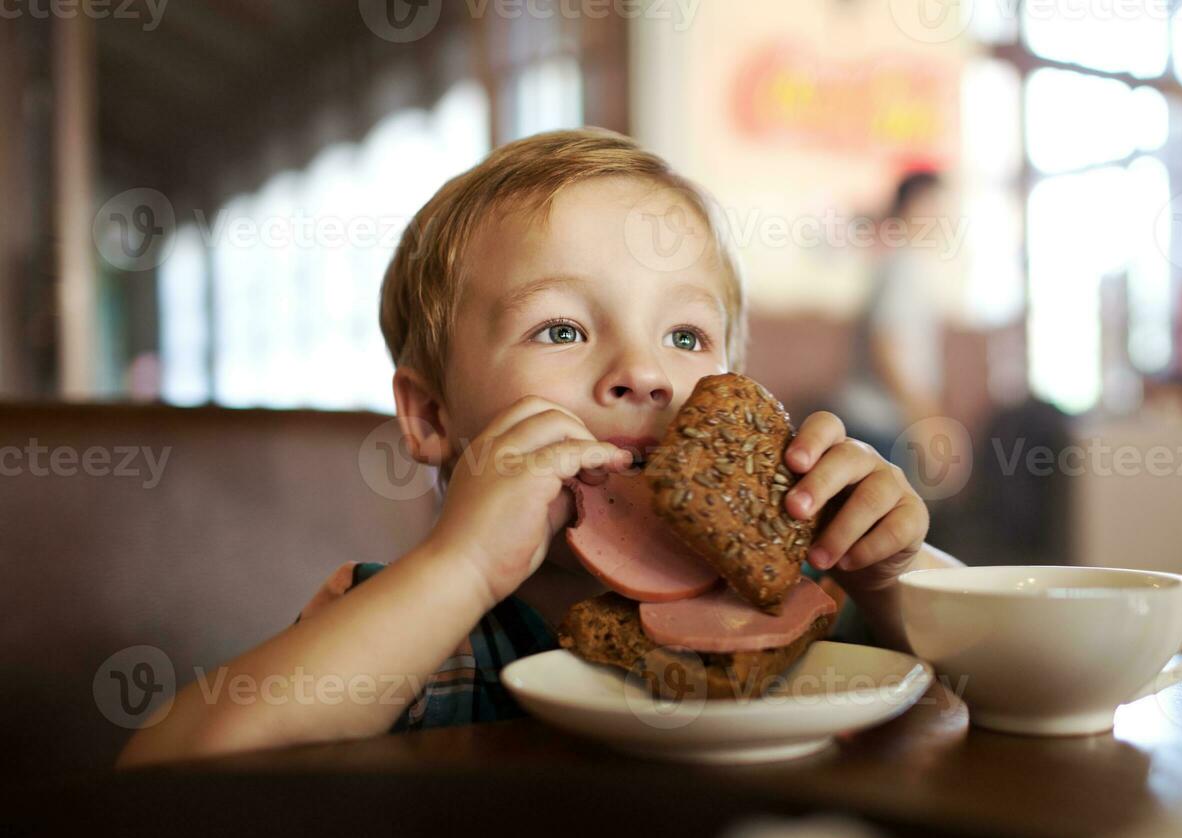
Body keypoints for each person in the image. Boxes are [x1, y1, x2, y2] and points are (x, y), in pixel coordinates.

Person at [118, 128, 964, 765]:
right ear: (431, 418)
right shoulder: (420, 627)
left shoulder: (802, 600)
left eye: (686, 335)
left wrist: (895, 576)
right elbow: (172, 771)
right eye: (559, 328)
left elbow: (1026, 696)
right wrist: (460, 570)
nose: (643, 373)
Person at [833, 170, 949, 460]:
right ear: (914, 206)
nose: (945, 216)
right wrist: (926, 422)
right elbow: (886, 349)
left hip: (882, 422)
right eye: (937, 205)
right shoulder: (903, 268)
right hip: (879, 425)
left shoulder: (899, 263)